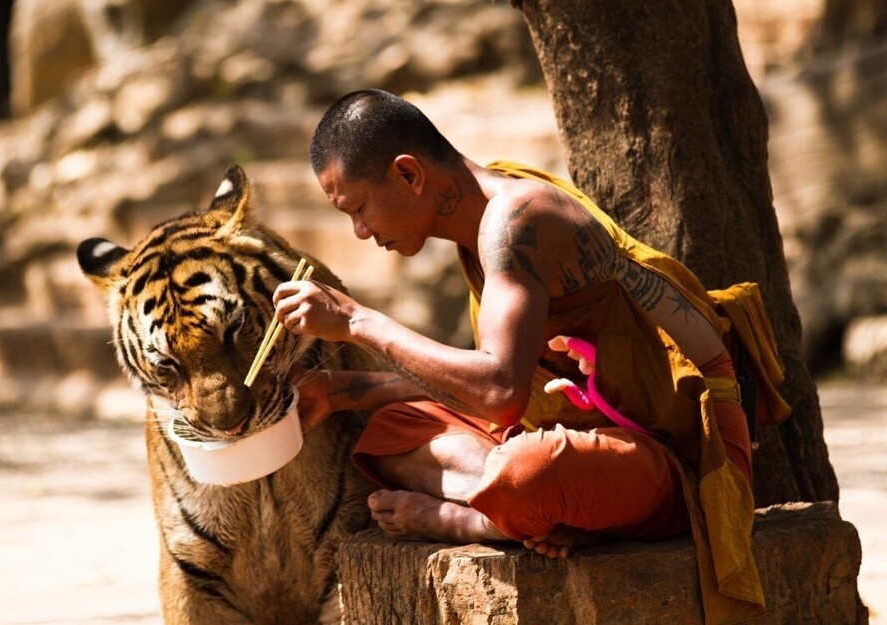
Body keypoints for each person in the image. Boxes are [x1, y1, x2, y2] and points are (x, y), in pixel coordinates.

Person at [273, 89, 771, 623]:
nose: (361, 232)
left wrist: (358, 321)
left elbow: (500, 394)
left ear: (409, 175)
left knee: (527, 472)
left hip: (680, 452)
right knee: (390, 429)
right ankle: (541, 512)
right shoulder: (479, 225)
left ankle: (474, 520)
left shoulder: (518, 220)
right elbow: (503, 380)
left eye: (359, 208)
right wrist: (344, 392)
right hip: (579, 426)